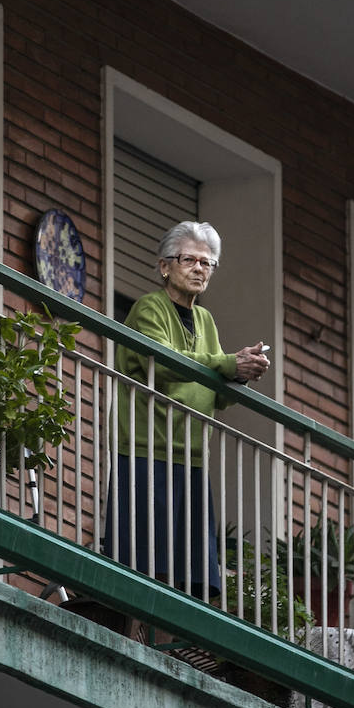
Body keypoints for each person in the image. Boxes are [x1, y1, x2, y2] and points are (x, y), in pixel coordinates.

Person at [101, 221, 269, 603]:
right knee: (142, 562)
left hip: (191, 457)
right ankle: (136, 627)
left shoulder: (206, 321)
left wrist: (242, 374)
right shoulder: (149, 308)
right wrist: (227, 363)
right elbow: (163, 364)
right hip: (145, 450)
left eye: (207, 263)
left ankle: (173, 640)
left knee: (190, 574)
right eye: (189, 259)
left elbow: (215, 393)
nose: (199, 269)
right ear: (165, 266)